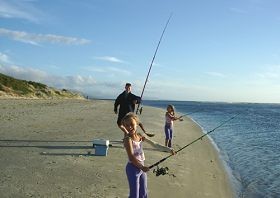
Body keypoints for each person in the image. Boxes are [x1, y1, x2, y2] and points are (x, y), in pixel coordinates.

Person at [122, 113, 174, 198]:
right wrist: (142, 167)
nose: (130, 127)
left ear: (137, 124)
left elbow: (154, 144)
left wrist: (169, 149)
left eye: (132, 124)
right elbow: (131, 157)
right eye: (127, 125)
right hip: (132, 168)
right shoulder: (128, 139)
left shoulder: (140, 136)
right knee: (134, 195)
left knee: (143, 193)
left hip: (141, 167)